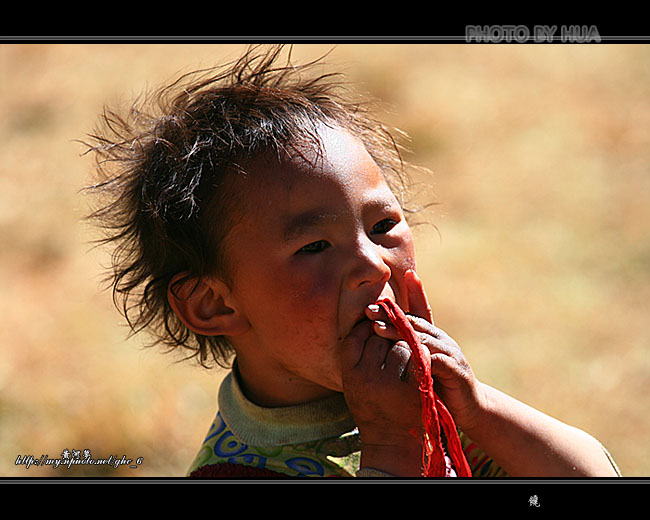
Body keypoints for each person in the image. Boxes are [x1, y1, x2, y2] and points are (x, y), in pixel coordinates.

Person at [84, 45, 621, 478]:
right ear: (213, 302)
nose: (375, 266)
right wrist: (392, 446)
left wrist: (480, 409)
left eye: (383, 226)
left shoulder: (440, 402)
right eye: (313, 247)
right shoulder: (236, 473)